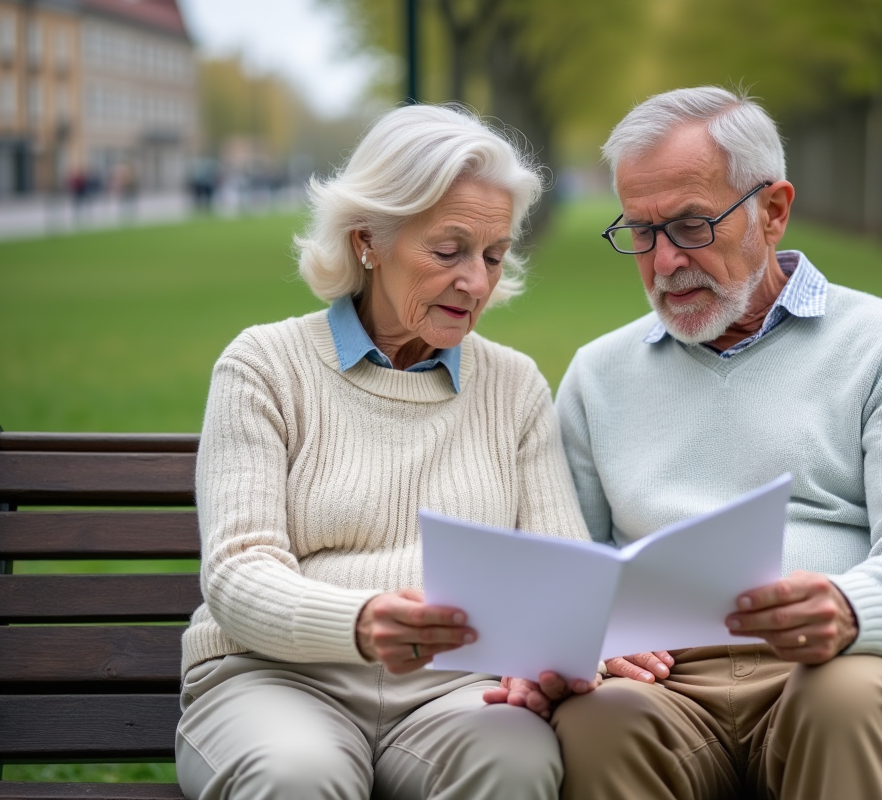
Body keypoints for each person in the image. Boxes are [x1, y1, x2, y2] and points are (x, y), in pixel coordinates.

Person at [546, 87, 882, 800]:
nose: (662, 265)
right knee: (596, 724)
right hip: (669, 689)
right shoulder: (600, 374)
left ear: (772, 211)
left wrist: (850, 610)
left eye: (690, 225)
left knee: (844, 702)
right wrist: (587, 632)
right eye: (639, 231)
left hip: (860, 664)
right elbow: (566, 557)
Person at [174, 104, 597, 800]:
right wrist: (364, 622)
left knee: (517, 760)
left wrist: (557, 645)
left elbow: (561, 571)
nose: (477, 282)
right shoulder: (263, 365)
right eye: (449, 250)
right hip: (275, 678)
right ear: (368, 239)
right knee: (297, 775)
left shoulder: (514, 385)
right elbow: (238, 575)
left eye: (493, 256)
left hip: (455, 690)